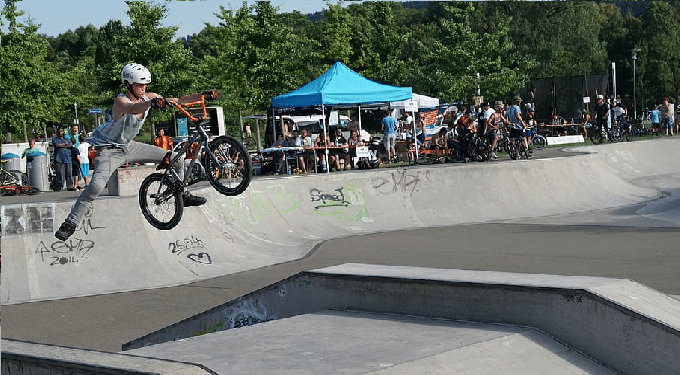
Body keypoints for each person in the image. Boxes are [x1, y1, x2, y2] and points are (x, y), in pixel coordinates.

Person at [55, 63, 208, 241]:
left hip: (130, 146)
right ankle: (70, 223)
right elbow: (131, 109)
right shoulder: (120, 101)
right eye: (139, 85)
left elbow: (180, 100)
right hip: (109, 150)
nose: (143, 89)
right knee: (95, 186)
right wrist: (151, 103)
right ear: (128, 85)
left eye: (145, 85)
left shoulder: (149, 97)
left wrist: (202, 96)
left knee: (176, 159)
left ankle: (183, 195)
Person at [51, 126, 74, 191]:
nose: (60, 133)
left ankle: (70, 186)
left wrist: (62, 145)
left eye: (61, 131)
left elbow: (70, 145)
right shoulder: (55, 139)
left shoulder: (67, 139)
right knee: (60, 174)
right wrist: (64, 144)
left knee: (69, 173)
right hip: (59, 159)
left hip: (67, 159)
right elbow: (57, 145)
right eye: (59, 131)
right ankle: (60, 187)